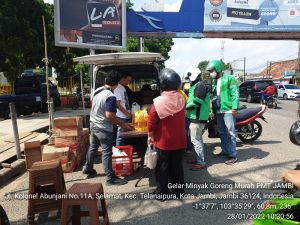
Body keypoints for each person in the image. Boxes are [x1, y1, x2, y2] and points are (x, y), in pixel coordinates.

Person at [82, 70, 133, 185]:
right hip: (103, 128)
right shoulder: (110, 96)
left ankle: (87, 168)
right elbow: (109, 116)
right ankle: (110, 178)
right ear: (117, 83)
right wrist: (123, 124)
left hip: (93, 124)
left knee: (93, 147)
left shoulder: (97, 91)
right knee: (107, 152)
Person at [147, 68, 186, 199]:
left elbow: (151, 122)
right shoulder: (181, 98)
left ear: (162, 85)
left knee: (163, 167)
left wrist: (150, 135)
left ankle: (162, 193)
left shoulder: (158, 102)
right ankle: (178, 192)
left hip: (164, 141)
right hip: (179, 140)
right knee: (177, 166)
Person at [206, 60, 239, 165]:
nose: (211, 72)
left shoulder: (230, 79)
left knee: (230, 133)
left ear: (218, 68)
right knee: (222, 133)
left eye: (212, 70)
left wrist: (235, 107)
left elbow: (235, 93)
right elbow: (213, 97)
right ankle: (225, 151)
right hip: (219, 110)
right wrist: (211, 110)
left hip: (228, 109)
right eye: (210, 71)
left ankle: (233, 155)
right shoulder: (215, 81)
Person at [185, 67, 211, 170]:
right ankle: (198, 158)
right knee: (198, 139)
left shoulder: (200, 86)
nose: (188, 79)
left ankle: (201, 162)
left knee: (195, 140)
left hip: (197, 118)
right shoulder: (196, 86)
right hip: (195, 117)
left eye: (189, 77)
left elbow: (197, 103)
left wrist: (184, 108)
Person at [114, 74, 133, 146]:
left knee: (123, 135)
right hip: (121, 116)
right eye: (127, 80)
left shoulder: (123, 87)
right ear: (122, 78)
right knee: (120, 136)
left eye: (129, 81)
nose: (128, 82)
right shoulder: (118, 88)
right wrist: (127, 113)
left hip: (125, 115)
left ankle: (122, 150)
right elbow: (117, 104)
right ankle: (119, 152)